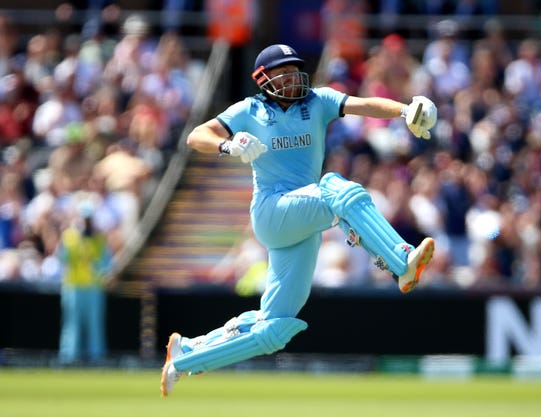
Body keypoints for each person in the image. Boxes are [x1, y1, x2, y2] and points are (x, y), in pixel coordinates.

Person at [160, 44, 437, 396]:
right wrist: (229, 145)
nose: (292, 76)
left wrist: (405, 109)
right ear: (263, 78)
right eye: (283, 71)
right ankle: (400, 261)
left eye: (294, 69)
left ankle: (186, 356)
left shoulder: (316, 101)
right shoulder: (250, 110)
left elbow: (361, 104)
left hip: (302, 219)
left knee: (274, 329)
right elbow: (196, 135)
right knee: (338, 188)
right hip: (272, 210)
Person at [57, 199, 113, 364]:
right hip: (73, 287)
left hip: (93, 287)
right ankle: (68, 358)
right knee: (72, 325)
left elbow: (106, 263)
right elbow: (63, 259)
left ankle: (97, 358)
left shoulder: (99, 238)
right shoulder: (69, 237)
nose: (87, 222)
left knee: (95, 325)